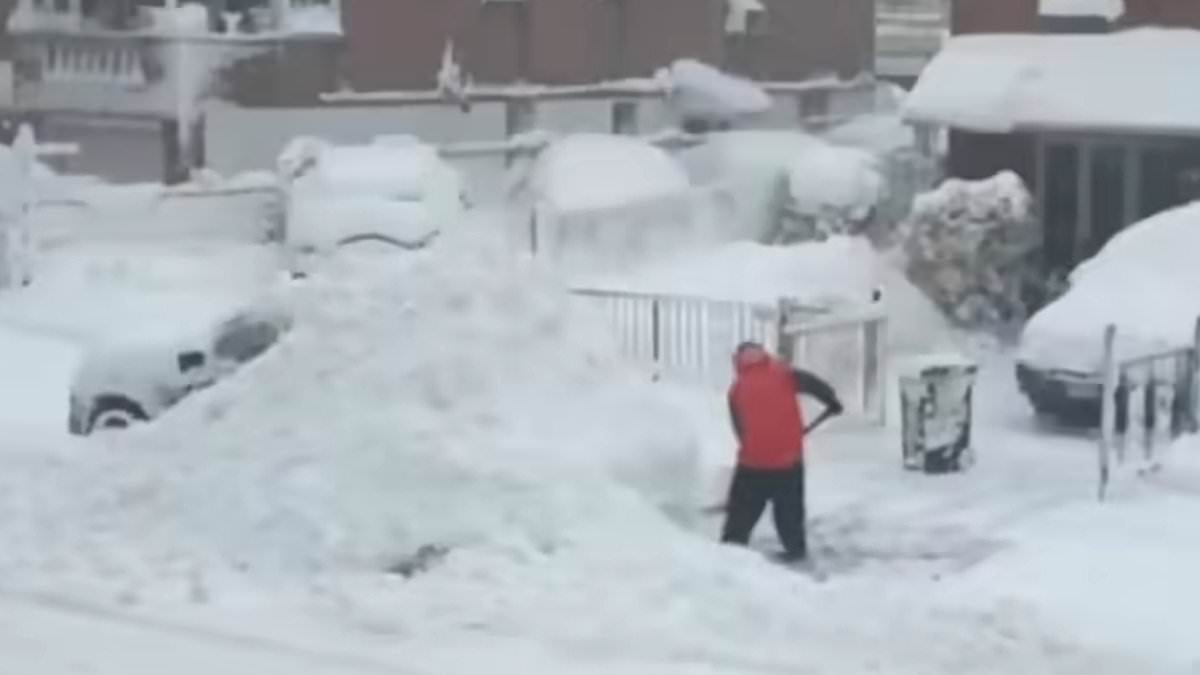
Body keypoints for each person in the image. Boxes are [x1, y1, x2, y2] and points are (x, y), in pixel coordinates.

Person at [722, 341, 843, 562]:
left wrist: (758, 446)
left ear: (738, 362)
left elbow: (741, 432)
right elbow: (815, 385)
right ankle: (795, 549)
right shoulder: (784, 374)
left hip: (752, 465)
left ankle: (729, 554)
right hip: (788, 463)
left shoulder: (736, 390)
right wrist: (832, 400)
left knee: (739, 519)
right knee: (789, 513)